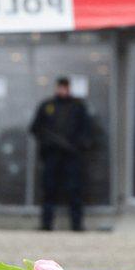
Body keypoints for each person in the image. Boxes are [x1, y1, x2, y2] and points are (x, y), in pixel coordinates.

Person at [29, 77, 90, 231]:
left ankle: (77, 225)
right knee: (49, 189)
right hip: (52, 154)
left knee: (74, 189)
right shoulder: (47, 105)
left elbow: (86, 130)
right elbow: (36, 128)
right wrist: (48, 142)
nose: (63, 90)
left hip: (72, 155)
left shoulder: (78, 107)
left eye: (65, 87)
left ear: (69, 88)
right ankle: (46, 224)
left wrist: (78, 145)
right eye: (60, 87)